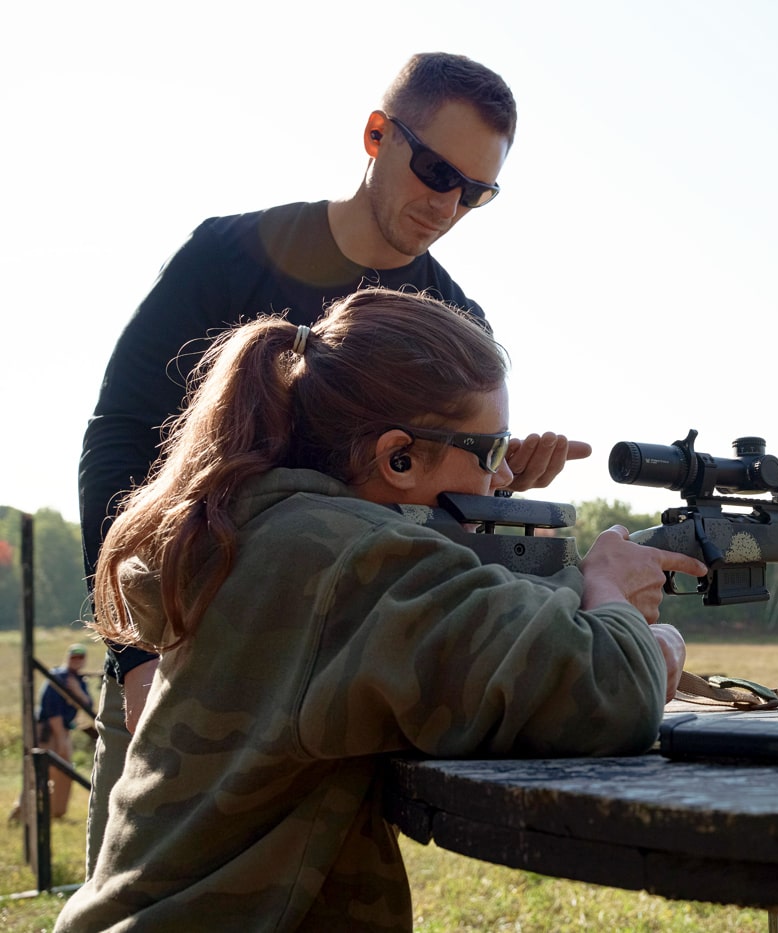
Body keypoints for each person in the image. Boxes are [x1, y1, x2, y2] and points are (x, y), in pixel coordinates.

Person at [55, 288, 706, 931]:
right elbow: (606, 691)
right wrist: (618, 597)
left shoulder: (261, 532)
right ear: (398, 457)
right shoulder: (353, 561)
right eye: (491, 452)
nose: (503, 480)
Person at [77, 51, 585, 874]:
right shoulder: (228, 256)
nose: (446, 203)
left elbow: (424, 525)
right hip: (183, 662)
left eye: (475, 191)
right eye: (434, 170)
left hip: (336, 691)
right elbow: (120, 439)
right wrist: (137, 656)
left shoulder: (454, 319)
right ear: (376, 135)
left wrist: (494, 481)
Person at [8, 645, 92, 822]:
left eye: (80, 657)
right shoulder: (57, 677)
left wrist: (77, 691)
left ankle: (56, 812)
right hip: (49, 731)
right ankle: (21, 811)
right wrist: (60, 739)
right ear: (67, 657)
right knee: (39, 771)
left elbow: (88, 705)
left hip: (65, 731)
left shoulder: (79, 681)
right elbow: (53, 711)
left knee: (65, 773)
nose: (77, 661)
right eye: (74, 657)